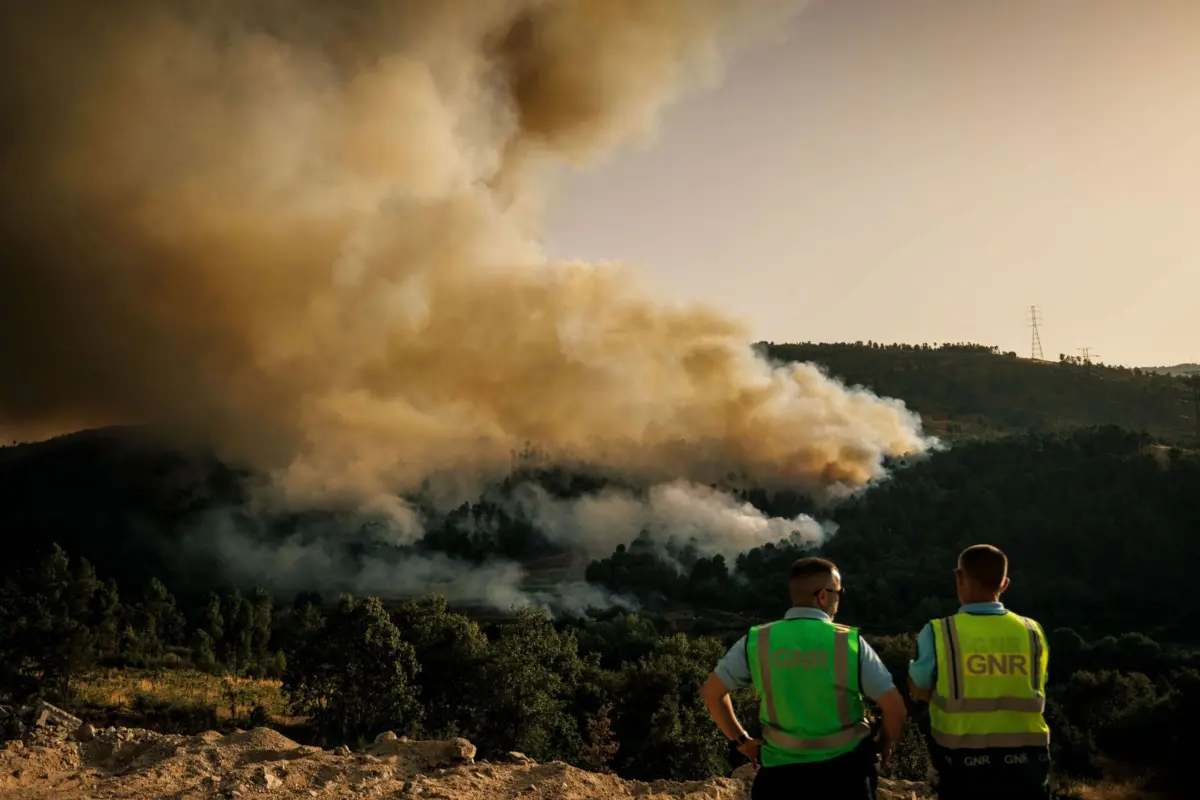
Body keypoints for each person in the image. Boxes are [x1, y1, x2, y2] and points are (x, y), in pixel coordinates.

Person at [701, 557, 908, 800]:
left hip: (781, 779)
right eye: (838, 593)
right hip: (846, 777)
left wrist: (743, 741)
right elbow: (896, 709)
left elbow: (712, 693)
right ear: (822, 596)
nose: (839, 599)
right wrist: (882, 744)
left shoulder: (758, 640)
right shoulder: (848, 642)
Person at [907, 544, 1051, 800]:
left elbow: (918, 689)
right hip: (1028, 764)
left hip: (962, 766)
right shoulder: (1033, 631)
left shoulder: (939, 632)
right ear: (1004, 583)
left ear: (959, 577)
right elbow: (1037, 685)